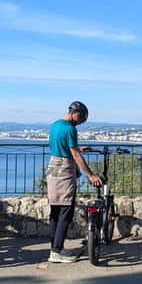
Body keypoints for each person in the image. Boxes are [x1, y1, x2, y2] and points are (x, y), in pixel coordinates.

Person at [45, 101, 102, 263]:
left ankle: (55, 248)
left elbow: (59, 145)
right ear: (76, 113)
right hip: (64, 168)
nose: (81, 122)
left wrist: (76, 147)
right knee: (66, 210)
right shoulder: (70, 129)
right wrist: (90, 175)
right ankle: (56, 252)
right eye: (82, 119)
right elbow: (75, 156)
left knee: (55, 210)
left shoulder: (55, 125)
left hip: (52, 166)